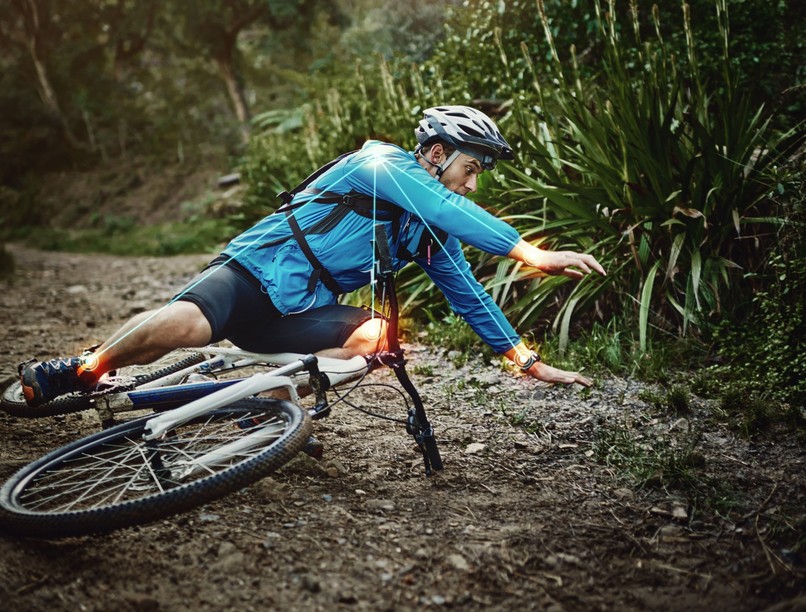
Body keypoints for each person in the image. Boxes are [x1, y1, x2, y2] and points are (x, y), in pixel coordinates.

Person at [20, 105, 605, 408]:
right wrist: (531, 253)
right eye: (470, 168)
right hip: (256, 273)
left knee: (379, 336)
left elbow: (469, 296)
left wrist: (526, 363)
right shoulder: (382, 165)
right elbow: (450, 209)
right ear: (434, 152)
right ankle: (81, 368)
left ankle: (268, 401)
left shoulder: (425, 231)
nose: (473, 185)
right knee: (192, 323)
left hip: (295, 314)